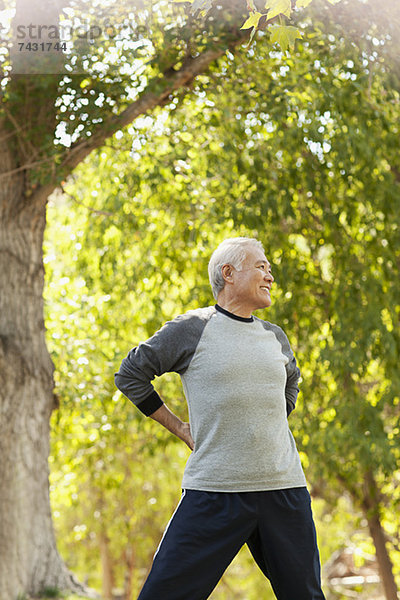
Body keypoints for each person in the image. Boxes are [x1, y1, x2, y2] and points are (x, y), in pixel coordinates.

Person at [114, 237, 326, 600]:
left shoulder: (275, 336)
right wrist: (179, 426)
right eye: (261, 266)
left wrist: (273, 419)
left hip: (283, 490)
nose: (270, 276)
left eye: (269, 269)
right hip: (214, 492)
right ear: (228, 273)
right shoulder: (191, 328)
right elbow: (131, 374)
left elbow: (292, 381)